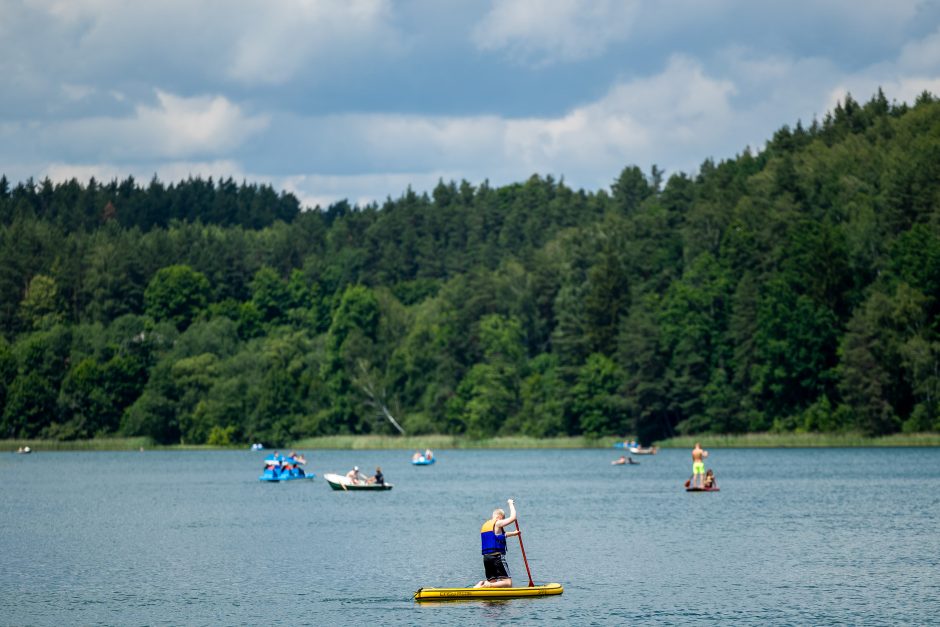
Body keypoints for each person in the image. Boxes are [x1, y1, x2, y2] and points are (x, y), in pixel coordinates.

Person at [474, 499, 520, 588]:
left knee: (494, 583)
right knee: (508, 583)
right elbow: (513, 518)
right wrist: (510, 504)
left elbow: (500, 536)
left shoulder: (486, 525)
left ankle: (482, 584)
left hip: (487, 558)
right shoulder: (498, 523)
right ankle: (488, 584)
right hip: (497, 558)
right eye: (503, 519)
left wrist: (514, 534)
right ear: (499, 517)